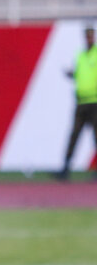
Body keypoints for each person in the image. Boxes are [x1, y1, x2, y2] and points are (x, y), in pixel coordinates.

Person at [55, 26, 97, 181]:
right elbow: (79, 73)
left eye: (91, 36)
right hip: (81, 102)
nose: (89, 39)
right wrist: (71, 74)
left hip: (94, 103)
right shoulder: (80, 55)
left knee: (96, 137)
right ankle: (65, 168)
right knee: (74, 135)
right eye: (87, 37)